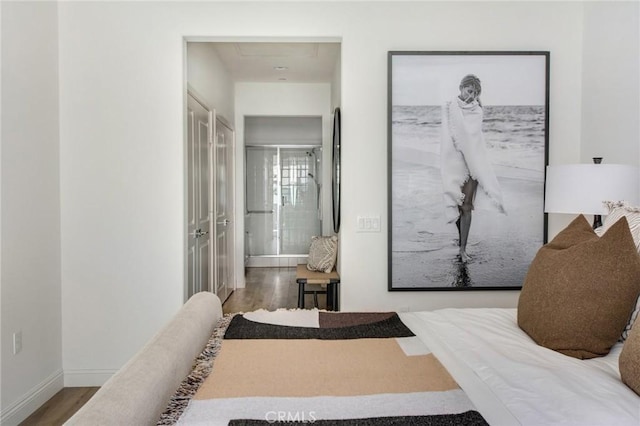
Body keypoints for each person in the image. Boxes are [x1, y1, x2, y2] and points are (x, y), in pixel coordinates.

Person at [440, 74, 506, 262]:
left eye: (476, 94)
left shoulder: (477, 110)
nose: (472, 96)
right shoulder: (448, 108)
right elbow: (446, 138)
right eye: (470, 91)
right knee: (457, 204)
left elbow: (473, 137)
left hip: (473, 163)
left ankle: (463, 249)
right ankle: (462, 239)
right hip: (454, 163)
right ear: (461, 88)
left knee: (467, 206)